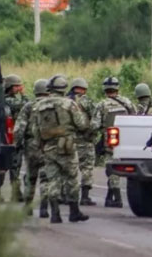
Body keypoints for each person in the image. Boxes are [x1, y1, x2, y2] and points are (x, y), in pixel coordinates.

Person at [31, 75, 90, 224]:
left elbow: (35, 129)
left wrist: (40, 145)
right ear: (63, 88)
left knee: (52, 179)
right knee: (72, 178)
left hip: (48, 147)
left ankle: (55, 214)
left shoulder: (39, 106)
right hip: (67, 146)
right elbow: (81, 124)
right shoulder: (69, 104)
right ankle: (74, 212)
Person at [91, 76, 136, 207]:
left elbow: (94, 125)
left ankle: (117, 198)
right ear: (117, 88)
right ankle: (110, 197)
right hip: (126, 140)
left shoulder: (102, 105)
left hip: (111, 141)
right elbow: (135, 117)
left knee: (112, 168)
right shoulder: (127, 102)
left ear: (105, 89)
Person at [14, 78, 50, 217]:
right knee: (45, 178)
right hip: (48, 145)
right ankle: (44, 208)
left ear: (35, 91)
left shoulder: (28, 107)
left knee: (30, 177)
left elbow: (20, 128)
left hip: (31, 145)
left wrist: (17, 144)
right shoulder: (52, 106)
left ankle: (28, 207)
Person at [69, 77, 98, 206]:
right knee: (86, 168)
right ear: (84, 89)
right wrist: (92, 133)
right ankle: (85, 197)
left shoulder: (66, 101)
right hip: (85, 140)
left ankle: (66, 195)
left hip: (68, 140)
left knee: (69, 168)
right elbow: (95, 118)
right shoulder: (86, 101)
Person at [3, 74, 29, 203]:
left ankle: (16, 193)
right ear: (9, 86)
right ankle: (16, 193)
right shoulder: (9, 100)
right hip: (12, 137)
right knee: (14, 166)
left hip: (12, 136)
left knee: (15, 166)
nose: (19, 88)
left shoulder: (8, 99)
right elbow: (27, 105)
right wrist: (24, 94)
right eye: (16, 86)